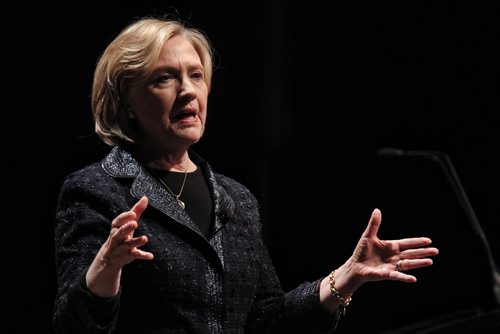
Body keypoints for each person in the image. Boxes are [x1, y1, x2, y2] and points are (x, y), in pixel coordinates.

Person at [52, 15, 439, 334]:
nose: (188, 91)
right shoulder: (96, 190)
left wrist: (345, 277)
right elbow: (72, 325)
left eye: (197, 76)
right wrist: (105, 268)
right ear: (127, 102)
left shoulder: (235, 200)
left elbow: (266, 320)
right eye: (164, 78)